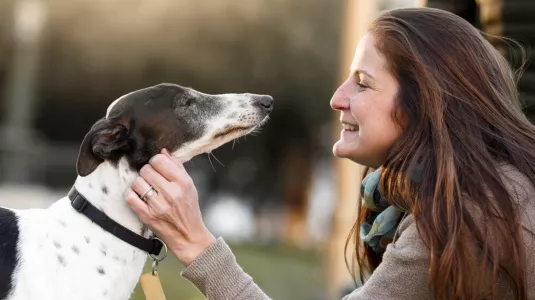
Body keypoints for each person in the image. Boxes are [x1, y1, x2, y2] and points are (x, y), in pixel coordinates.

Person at [124, 7, 535, 300]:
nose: (338, 98)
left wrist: (195, 244)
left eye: (362, 83)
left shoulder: (463, 215)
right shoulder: (487, 188)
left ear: (425, 103)